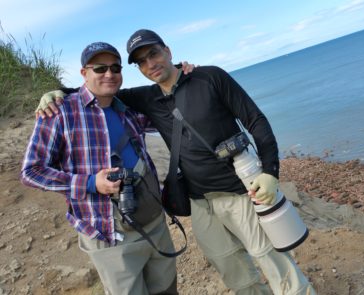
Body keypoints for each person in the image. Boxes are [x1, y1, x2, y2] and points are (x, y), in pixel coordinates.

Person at [37, 30, 317, 295]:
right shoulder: (147, 98)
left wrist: (270, 171)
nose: (151, 63)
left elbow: (255, 120)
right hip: (199, 201)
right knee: (231, 269)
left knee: (272, 261)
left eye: (154, 53)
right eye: (142, 61)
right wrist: (58, 93)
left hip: (240, 191)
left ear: (168, 51)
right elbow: (100, 90)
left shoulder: (209, 77)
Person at [21, 42, 179, 295]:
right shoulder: (60, 112)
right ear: (84, 73)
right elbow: (31, 171)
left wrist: (186, 73)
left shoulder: (129, 111)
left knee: (167, 289)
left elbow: (170, 105)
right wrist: (91, 183)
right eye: (100, 68)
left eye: (115, 68)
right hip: (108, 234)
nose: (109, 74)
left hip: (154, 222)